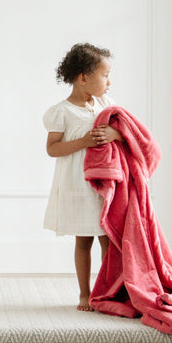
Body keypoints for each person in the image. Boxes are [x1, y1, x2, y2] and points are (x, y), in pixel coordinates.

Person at [43, 43, 123, 311]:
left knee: (108, 240)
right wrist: (84, 141)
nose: (109, 82)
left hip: (103, 183)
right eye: (104, 75)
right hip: (78, 184)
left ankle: (108, 291)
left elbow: (124, 130)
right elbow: (52, 148)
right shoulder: (62, 111)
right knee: (84, 240)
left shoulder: (104, 103)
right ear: (83, 78)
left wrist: (114, 135)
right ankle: (84, 294)